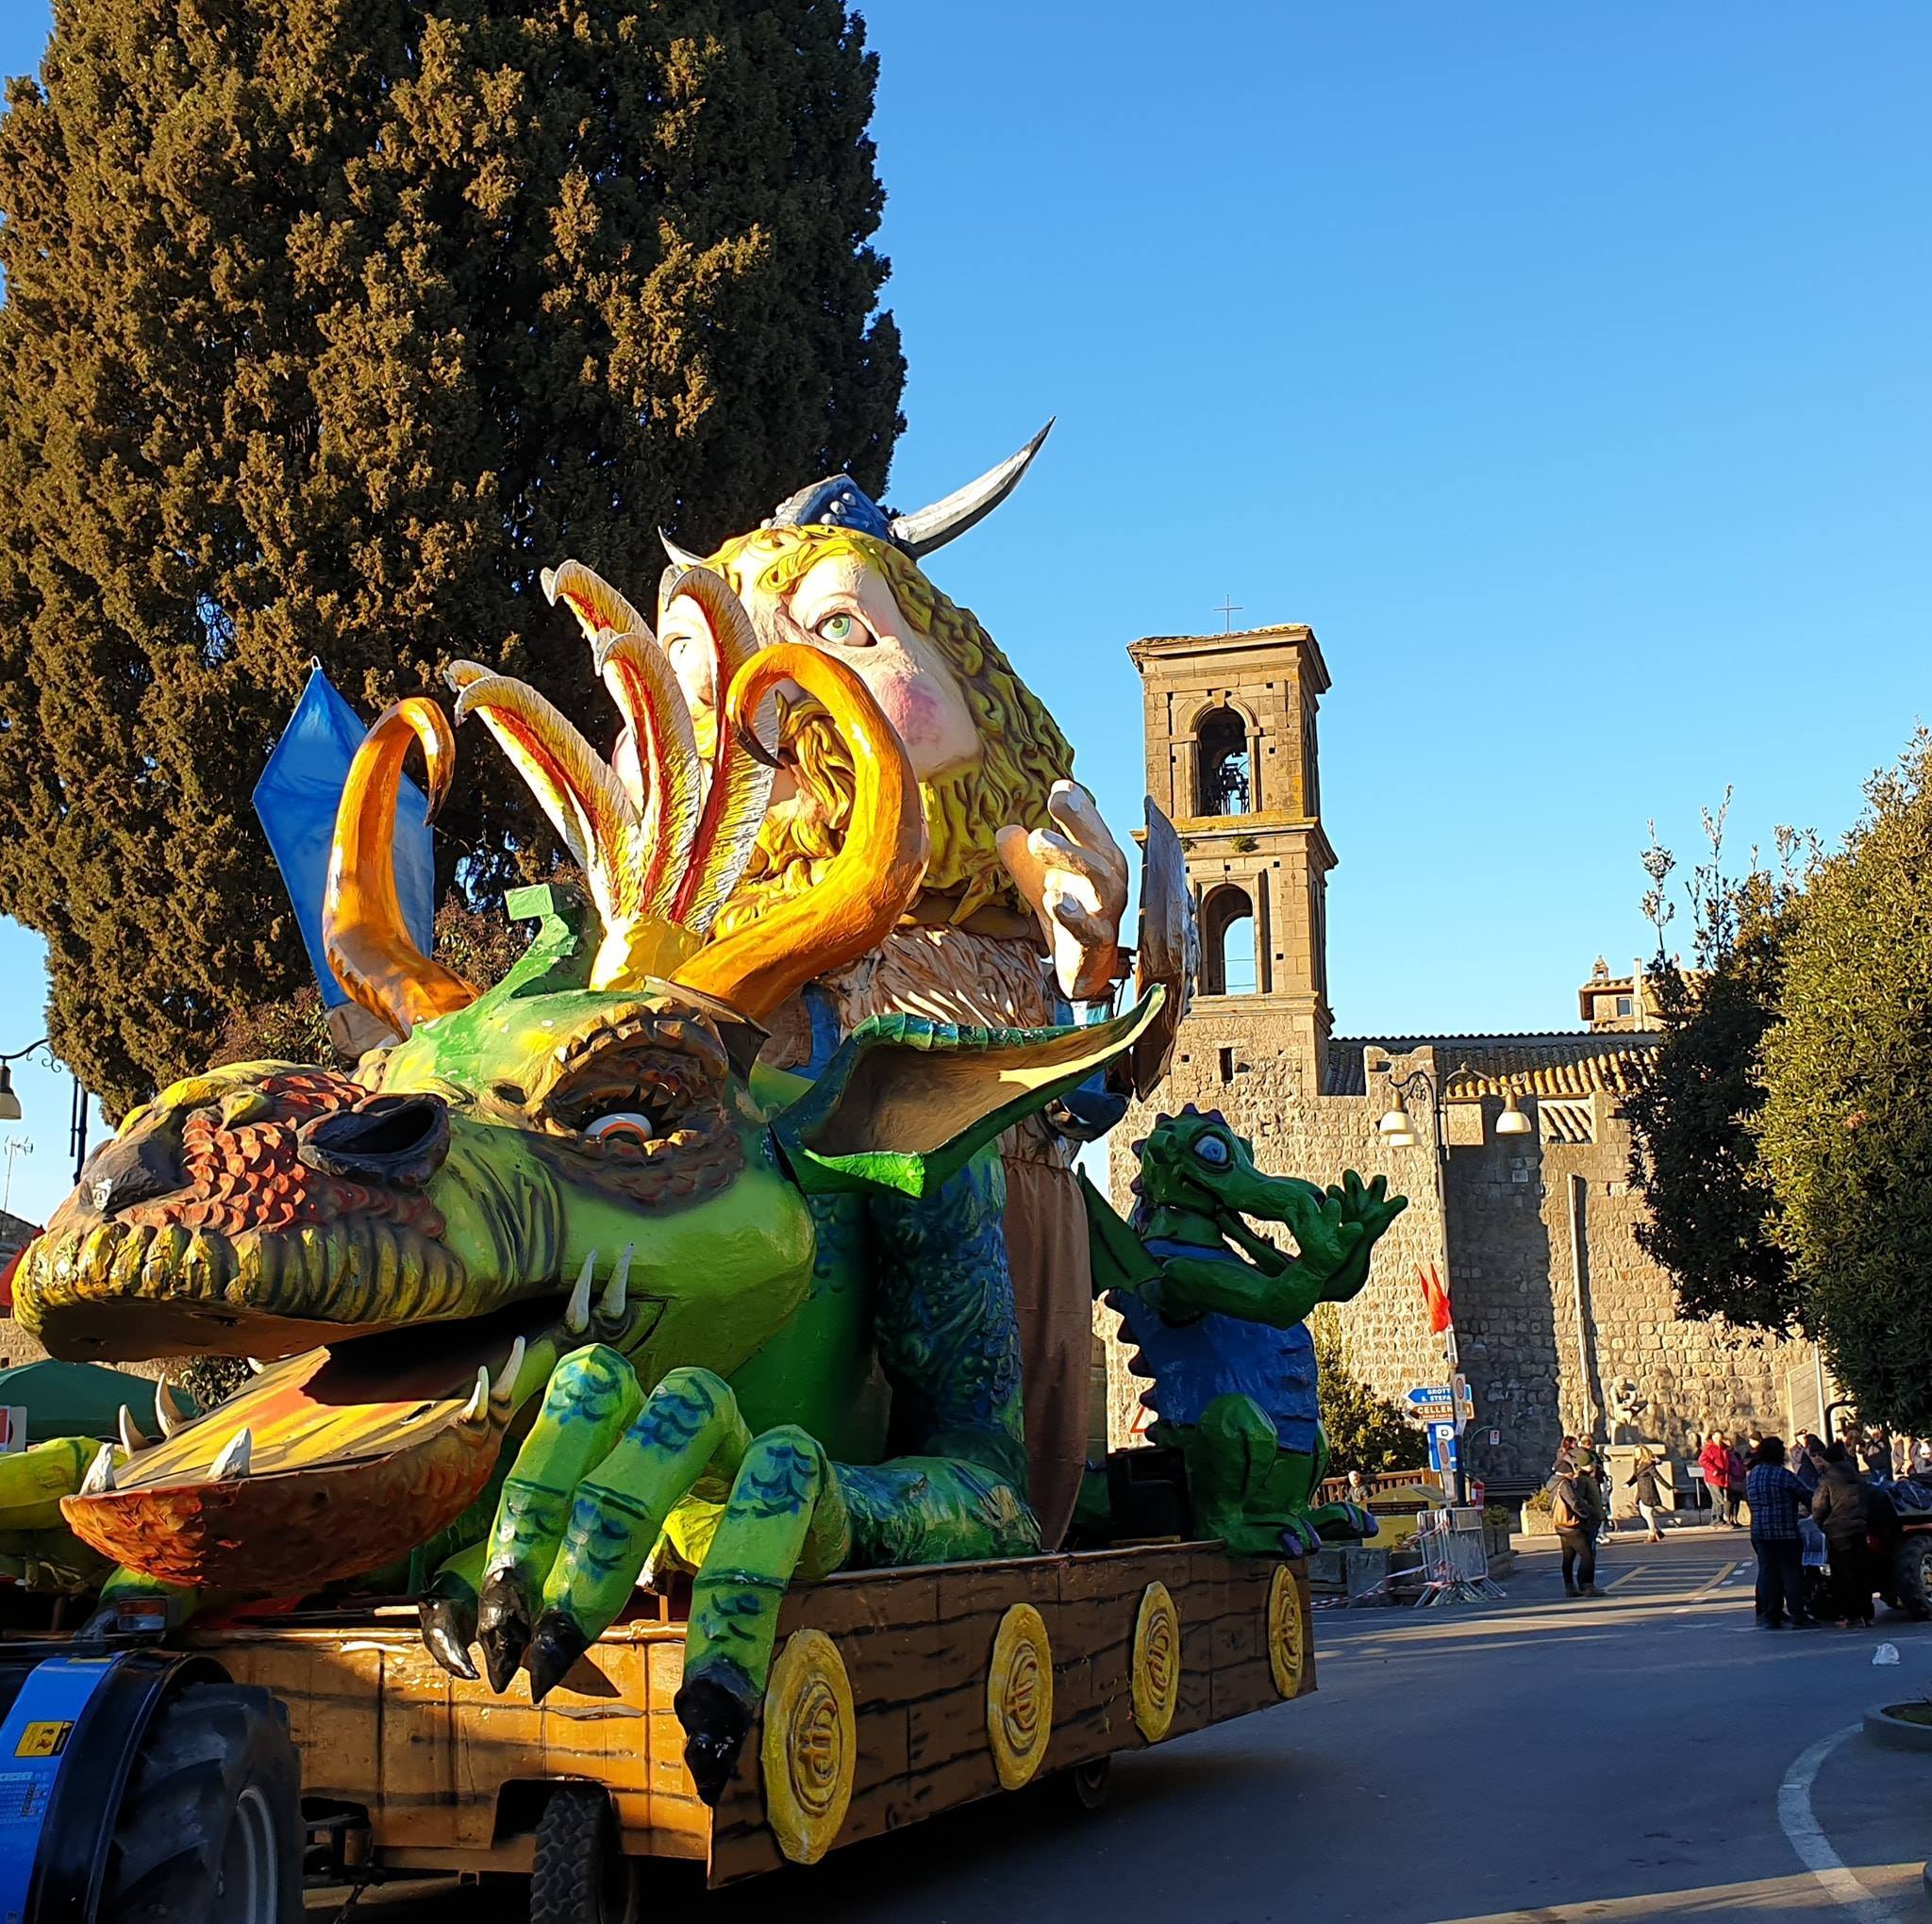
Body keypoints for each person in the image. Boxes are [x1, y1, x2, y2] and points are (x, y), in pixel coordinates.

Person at [1811, 1442, 1901, 1628]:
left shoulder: (1827, 1481)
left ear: (1827, 1461)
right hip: (1860, 1530)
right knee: (1861, 1573)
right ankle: (1867, 1615)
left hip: (1837, 1534)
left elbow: (1819, 1508)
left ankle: (1850, 1615)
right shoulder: (1858, 1479)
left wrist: (1822, 1525)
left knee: (1843, 1576)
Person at [1743, 1437, 1819, 1628]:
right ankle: (1798, 1615)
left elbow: (1747, 1498)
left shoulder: (1752, 1475)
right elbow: (1807, 1495)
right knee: (1791, 1573)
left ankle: (1771, 1614)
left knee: (1768, 1572)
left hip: (1759, 1532)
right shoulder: (1782, 1475)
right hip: (1785, 1531)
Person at [1552, 1448, 1607, 1598]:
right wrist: (1586, 1515)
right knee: (1587, 1555)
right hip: (1573, 1525)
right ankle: (1587, 1585)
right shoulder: (1566, 1484)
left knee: (1568, 1556)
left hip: (1562, 1524)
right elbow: (1575, 1502)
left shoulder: (1553, 1483)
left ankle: (1570, 1586)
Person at [1627, 1449, 1666, 1543]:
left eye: (1637, 1452)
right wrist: (1627, 1484)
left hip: (1648, 1492)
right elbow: (1635, 1476)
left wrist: (1669, 1487)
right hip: (1641, 1491)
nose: (1635, 1454)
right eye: (1635, 1452)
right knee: (1645, 1514)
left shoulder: (1648, 1464)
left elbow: (1658, 1477)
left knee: (1648, 1513)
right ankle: (1658, 1531)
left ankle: (1652, 1533)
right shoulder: (1637, 1464)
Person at [1699, 1433, 1738, 1526]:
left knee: (1718, 1498)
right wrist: (1714, 1469)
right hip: (1713, 1477)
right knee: (1718, 1498)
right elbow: (1702, 1460)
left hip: (1723, 1478)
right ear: (1712, 1437)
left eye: (1719, 1438)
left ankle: (1716, 1518)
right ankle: (1717, 1518)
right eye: (1716, 1438)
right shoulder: (1709, 1448)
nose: (1717, 1440)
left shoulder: (1724, 1449)